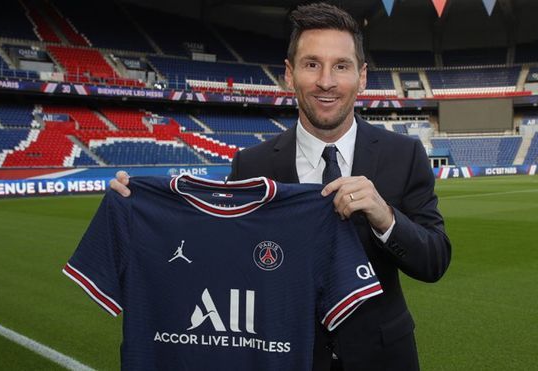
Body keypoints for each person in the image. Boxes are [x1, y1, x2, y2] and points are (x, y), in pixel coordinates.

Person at [111, 3, 451, 370]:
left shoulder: (405, 154)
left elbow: (434, 261)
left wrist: (385, 218)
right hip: (284, 358)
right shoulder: (252, 165)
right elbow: (221, 259)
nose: (326, 81)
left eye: (341, 66)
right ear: (289, 75)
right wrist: (144, 215)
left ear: (362, 76)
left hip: (384, 358)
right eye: (311, 64)